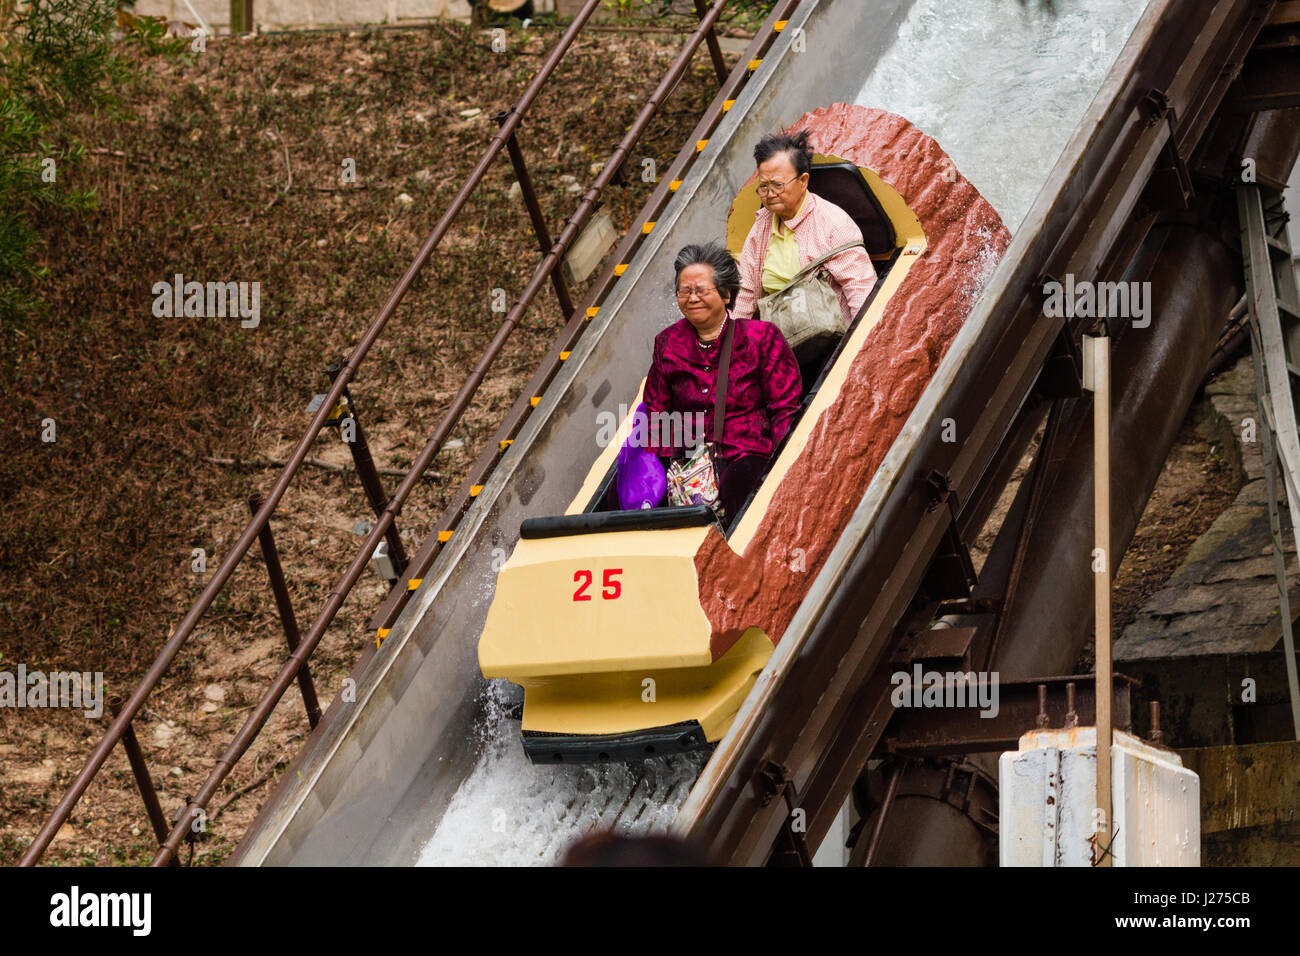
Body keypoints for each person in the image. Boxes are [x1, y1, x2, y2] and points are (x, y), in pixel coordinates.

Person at [641, 242, 802, 523]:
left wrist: (783, 468)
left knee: (740, 485)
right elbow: (656, 413)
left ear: (726, 293)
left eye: (701, 290)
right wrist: (678, 460)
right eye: (684, 291)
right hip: (691, 467)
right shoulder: (667, 344)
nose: (692, 298)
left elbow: (785, 408)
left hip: (748, 454)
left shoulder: (760, 338)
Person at [731, 129, 877, 328]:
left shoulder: (834, 225)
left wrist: (857, 346)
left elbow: (860, 291)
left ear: (803, 181)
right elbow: (746, 292)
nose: (770, 194)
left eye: (778, 185)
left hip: (831, 337)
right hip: (781, 336)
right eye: (764, 187)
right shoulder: (761, 225)